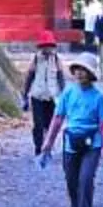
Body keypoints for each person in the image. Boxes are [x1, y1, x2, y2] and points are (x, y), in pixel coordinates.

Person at [54, 53, 103, 207]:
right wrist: (47, 144)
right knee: (72, 182)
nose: (80, 73)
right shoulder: (68, 93)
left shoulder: (99, 97)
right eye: (78, 69)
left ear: (90, 73)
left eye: (84, 70)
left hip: (92, 145)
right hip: (71, 143)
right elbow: (58, 118)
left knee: (86, 180)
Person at [22, 31, 69, 163]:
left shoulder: (56, 59)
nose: (47, 49)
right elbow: (29, 76)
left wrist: (64, 95)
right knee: (38, 125)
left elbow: (61, 77)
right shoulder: (36, 59)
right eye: (45, 46)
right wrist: (25, 94)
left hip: (52, 97)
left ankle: (47, 148)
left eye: (49, 46)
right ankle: (38, 149)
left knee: (50, 125)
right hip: (37, 96)